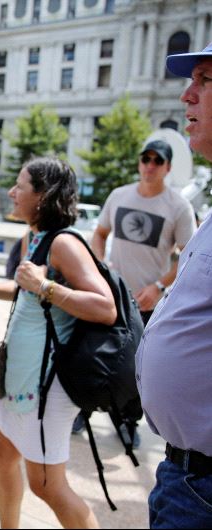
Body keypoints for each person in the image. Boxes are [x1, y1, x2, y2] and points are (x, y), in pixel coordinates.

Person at [0, 158, 117, 529]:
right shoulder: (35, 237)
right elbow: (24, 293)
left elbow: (105, 307)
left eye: (20, 186)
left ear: (43, 196)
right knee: (1, 455)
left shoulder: (64, 243)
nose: (12, 192)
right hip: (24, 377)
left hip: (48, 385)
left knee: (47, 485)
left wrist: (44, 286)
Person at [71, 140, 196, 446]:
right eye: (145, 159)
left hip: (148, 301)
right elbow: (100, 234)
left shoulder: (178, 206)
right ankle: (84, 408)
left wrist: (159, 286)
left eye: (157, 161)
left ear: (168, 167)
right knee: (93, 353)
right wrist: (100, 267)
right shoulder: (119, 195)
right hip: (111, 295)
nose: (150, 165)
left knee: (136, 366)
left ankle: (128, 420)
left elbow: (188, 255)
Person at [137, 43, 212, 529]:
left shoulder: (180, 207)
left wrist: (157, 286)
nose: (187, 94)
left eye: (205, 80)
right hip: (186, 476)